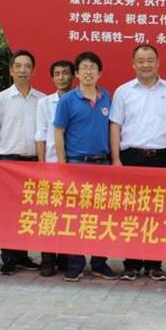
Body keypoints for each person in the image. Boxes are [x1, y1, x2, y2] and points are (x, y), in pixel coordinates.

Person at [110, 44, 166, 282]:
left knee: (157, 213)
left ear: (158, 63)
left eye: (150, 60)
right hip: (131, 157)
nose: (145, 65)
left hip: (161, 157)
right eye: (141, 61)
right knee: (131, 212)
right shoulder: (123, 92)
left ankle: (154, 264)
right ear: (133, 64)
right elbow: (115, 126)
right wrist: (116, 159)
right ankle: (131, 264)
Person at [53, 51, 119, 282]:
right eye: (84, 68)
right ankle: (76, 264)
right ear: (77, 74)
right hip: (76, 164)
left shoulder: (107, 97)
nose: (88, 72)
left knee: (102, 217)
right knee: (75, 217)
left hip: (102, 164)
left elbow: (113, 129)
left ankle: (100, 263)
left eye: (93, 68)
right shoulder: (67, 100)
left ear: (99, 73)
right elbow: (58, 132)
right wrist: (62, 163)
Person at [0, 49, 45, 275]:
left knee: (27, 212)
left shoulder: (42, 100)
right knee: (8, 212)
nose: (23, 70)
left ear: (33, 71)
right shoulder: (1, 99)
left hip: (32, 162)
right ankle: (8, 258)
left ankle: (22, 255)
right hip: (8, 162)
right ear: (11, 71)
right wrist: (8, 149)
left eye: (27, 66)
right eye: (18, 66)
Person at [35, 59, 75, 278]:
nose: (61, 77)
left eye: (65, 73)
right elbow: (40, 134)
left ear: (73, 76)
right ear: (52, 77)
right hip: (51, 164)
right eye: (57, 73)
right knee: (49, 214)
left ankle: (66, 258)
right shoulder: (44, 102)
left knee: (69, 213)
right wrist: (42, 165)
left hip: (74, 164)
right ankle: (48, 259)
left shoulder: (79, 99)